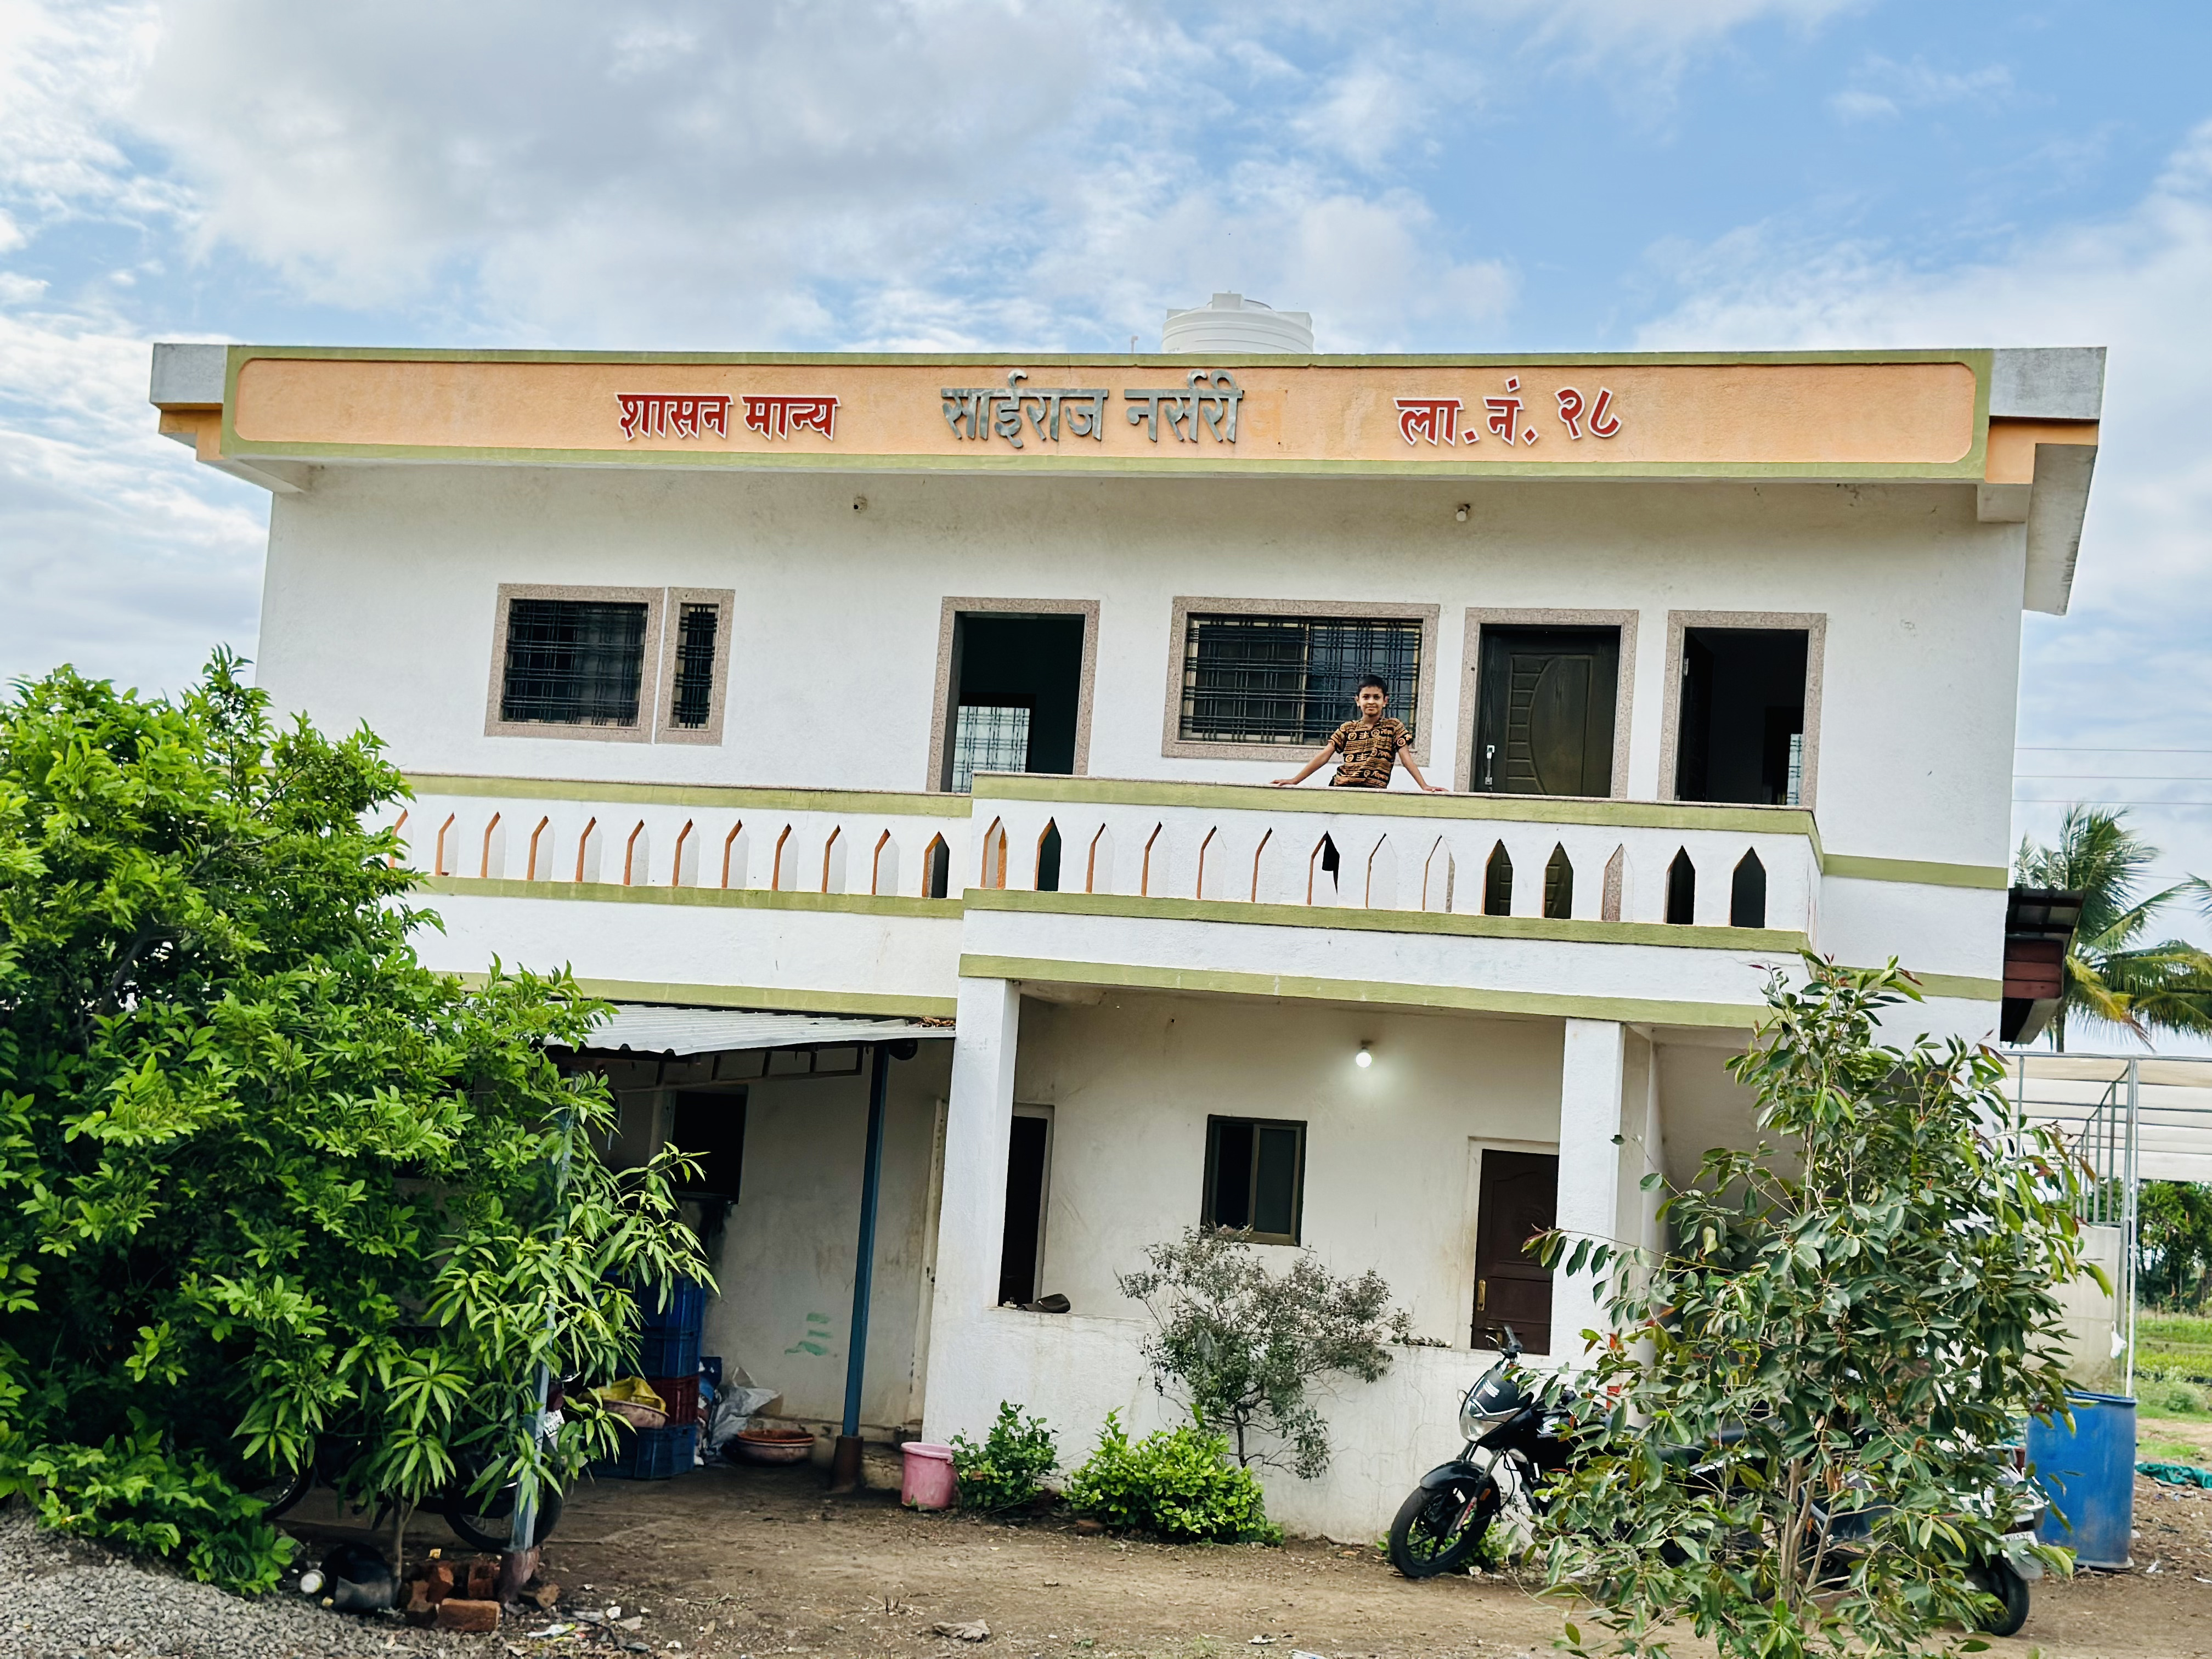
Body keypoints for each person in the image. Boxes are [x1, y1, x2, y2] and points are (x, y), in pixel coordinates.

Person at [1272, 674, 1446, 792]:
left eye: (1376, 697)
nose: (1371, 702)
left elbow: (1407, 760)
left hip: (1373, 791)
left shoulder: (1394, 727)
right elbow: (1324, 756)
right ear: (1358, 701)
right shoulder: (1347, 729)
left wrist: (1424, 786)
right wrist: (1295, 780)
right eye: (1366, 697)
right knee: (1333, 843)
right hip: (1341, 788)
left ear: (1385, 701)